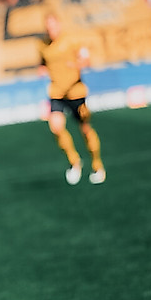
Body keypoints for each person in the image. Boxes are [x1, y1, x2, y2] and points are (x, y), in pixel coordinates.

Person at [40, 13, 105, 185]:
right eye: (48, 27)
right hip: (57, 94)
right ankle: (74, 162)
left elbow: (86, 59)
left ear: (59, 25)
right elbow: (43, 64)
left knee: (85, 129)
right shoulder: (43, 45)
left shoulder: (72, 40)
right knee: (55, 127)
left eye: (53, 26)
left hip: (76, 92)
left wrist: (77, 65)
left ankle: (97, 164)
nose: (50, 30)